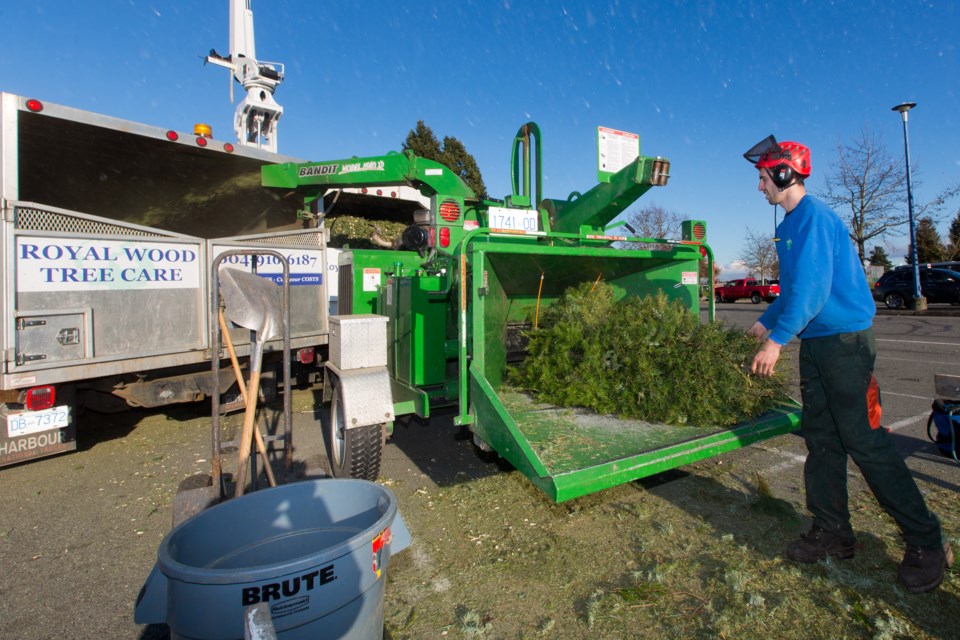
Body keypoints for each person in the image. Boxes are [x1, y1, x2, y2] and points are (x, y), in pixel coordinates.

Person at [743, 135, 951, 593]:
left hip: (846, 345)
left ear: (783, 173)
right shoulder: (789, 226)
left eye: (762, 178)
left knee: (866, 442)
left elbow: (815, 292)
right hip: (819, 344)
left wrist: (777, 342)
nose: (759, 187)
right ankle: (833, 532)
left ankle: (927, 540)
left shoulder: (814, 219)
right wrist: (763, 324)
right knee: (822, 441)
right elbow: (796, 290)